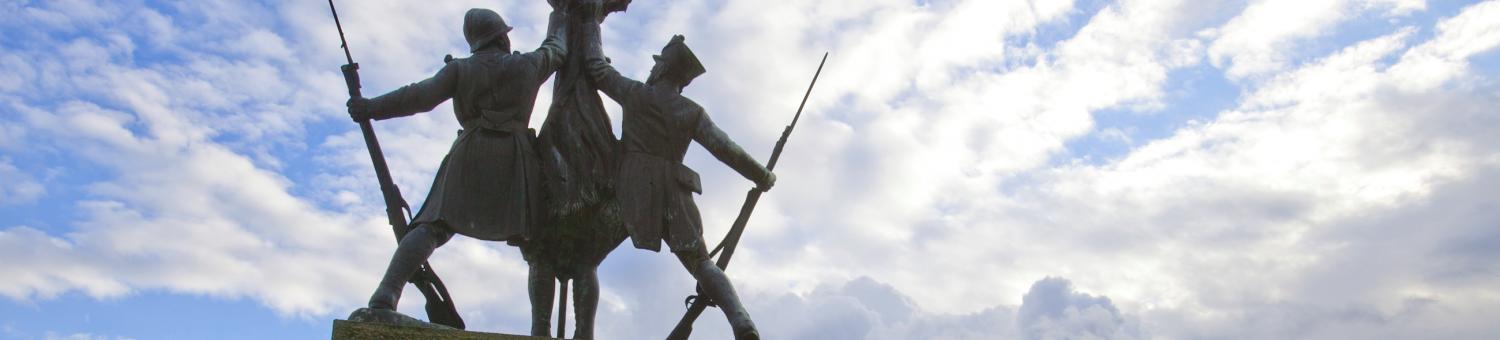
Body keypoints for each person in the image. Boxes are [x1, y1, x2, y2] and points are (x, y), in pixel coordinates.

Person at [345, 6, 566, 324]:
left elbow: (418, 96)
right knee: (539, 244)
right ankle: (541, 329)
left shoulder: (460, 69)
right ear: (502, 37)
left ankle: (386, 294)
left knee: (431, 227)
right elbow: (557, 49)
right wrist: (561, 14)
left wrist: (371, 107)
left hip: (470, 154)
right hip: (516, 161)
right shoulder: (528, 63)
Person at [579, 8, 775, 339]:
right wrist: (761, 175)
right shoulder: (691, 111)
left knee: (585, 260)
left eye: (656, 64)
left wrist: (590, 24)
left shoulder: (635, 94)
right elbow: (724, 148)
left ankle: (583, 334)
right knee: (702, 264)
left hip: (632, 189)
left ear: (663, 69)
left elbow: (598, 69)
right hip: (674, 191)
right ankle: (741, 319)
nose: (652, 67)